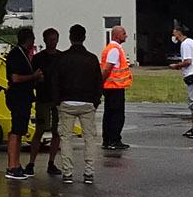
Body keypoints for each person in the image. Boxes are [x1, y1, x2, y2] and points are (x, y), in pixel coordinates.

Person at [50, 25, 107, 183]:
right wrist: (95, 101)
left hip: (66, 102)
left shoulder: (62, 58)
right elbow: (98, 82)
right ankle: (88, 172)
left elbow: (55, 81)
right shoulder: (91, 58)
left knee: (66, 138)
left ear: (70, 37)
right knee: (89, 138)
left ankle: (67, 172)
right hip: (87, 103)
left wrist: (57, 101)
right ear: (84, 37)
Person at [3, 29, 39, 180]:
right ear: (29, 40)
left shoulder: (20, 54)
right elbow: (15, 78)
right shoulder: (16, 55)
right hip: (18, 97)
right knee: (16, 132)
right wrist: (34, 76)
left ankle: (16, 164)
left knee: (19, 130)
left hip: (22, 98)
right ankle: (12, 166)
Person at [34, 27, 64, 175]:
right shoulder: (38, 58)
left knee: (56, 132)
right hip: (43, 98)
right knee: (39, 130)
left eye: (55, 39)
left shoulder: (62, 57)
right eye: (50, 39)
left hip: (57, 99)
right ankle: (32, 162)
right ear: (45, 41)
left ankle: (51, 162)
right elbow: (32, 77)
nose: (53, 42)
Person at [98, 24, 133, 149]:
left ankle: (108, 140)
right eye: (124, 33)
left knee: (109, 114)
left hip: (111, 87)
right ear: (117, 35)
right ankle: (113, 140)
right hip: (114, 87)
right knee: (116, 115)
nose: (126, 36)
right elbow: (107, 69)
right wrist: (100, 83)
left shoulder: (112, 48)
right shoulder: (114, 49)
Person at [170, 23, 193, 137]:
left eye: (174, 33)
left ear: (179, 33)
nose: (173, 36)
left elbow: (188, 61)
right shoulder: (191, 42)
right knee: (192, 102)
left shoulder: (185, 44)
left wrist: (176, 65)